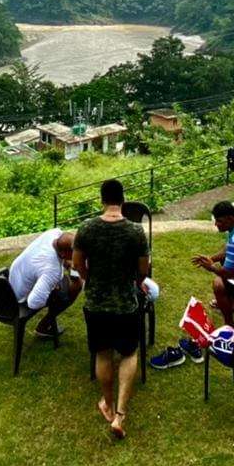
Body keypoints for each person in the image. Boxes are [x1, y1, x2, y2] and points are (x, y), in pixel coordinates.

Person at [73, 179, 150, 440]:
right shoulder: (135, 232)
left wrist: (91, 279)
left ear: (102, 200)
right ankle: (120, 414)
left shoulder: (86, 228)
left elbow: (78, 265)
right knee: (129, 354)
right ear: (123, 200)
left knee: (103, 354)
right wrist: (137, 283)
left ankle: (106, 402)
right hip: (126, 303)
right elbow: (143, 270)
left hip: (96, 303)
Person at [8, 228, 80, 338]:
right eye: (74, 255)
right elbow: (34, 303)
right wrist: (51, 289)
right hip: (20, 297)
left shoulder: (54, 233)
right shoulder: (52, 270)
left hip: (12, 282)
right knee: (76, 286)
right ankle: (43, 328)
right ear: (64, 253)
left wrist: (67, 262)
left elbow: (61, 254)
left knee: (57, 281)